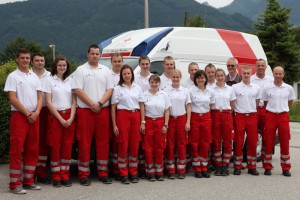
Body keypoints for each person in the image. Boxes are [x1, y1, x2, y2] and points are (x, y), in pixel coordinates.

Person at [72, 44, 113, 186]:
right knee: (84, 143)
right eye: (93, 53)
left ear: (100, 55)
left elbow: (110, 90)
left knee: (103, 143)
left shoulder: (106, 70)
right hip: (85, 111)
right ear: (87, 54)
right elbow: (78, 90)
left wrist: (100, 104)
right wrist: (92, 104)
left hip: (103, 110)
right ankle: (83, 174)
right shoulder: (80, 70)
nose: (95, 56)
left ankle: (103, 173)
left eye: (97, 54)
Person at [4, 48, 42, 194]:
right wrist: (27, 113)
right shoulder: (13, 76)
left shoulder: (34, 76)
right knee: (16, 149)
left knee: (33, 149)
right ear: (17, 59)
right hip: (20, 116)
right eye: (22, 58)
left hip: (34, 116)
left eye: (27, 58)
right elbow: (12, 98)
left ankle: (29, 181)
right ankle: (14, 184)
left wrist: (37, 112)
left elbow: (40, 97)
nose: (25, 60)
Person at [43, 56, 76, 187]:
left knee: (67, 147)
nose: (62, 67)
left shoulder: (70, 81)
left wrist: (71, 117)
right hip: (56, 117)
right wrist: (61, 119)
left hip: (69, 116)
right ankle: (56, 176)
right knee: (56, 147)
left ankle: (65, 175)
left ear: (67, 67)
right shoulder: (49, 81)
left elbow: (74, 102)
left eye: (64, 65)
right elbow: (49, 102)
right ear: (55, 67)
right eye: (60, 65)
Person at [111, 65, 145, 184]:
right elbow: (113, 107)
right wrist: (114, 125)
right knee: (123, 145)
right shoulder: (117, 88)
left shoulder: (138, 88)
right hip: (122, 116)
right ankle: (123, 173)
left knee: (134, 145)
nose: (127, 76)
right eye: (124, 74)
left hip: (135, 116)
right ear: (121, 75)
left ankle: (133, 172)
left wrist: (143, 122)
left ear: (132, 74)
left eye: (129, 73)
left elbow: (141, 105)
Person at [262, 66, 295, 177]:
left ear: (283, 74)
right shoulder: (267, 88)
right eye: (276, 73)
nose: (278, 76)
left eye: (280, 74)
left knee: (285, 142)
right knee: (268, 141)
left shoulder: (289, 88)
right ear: (273, 75)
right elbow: (265, 103)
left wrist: (283, 109)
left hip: (283, 116)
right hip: (270, 115)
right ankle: (267, 166)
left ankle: (286, 168)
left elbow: (290, 102)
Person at [140, 74, 171, 181]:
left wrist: (166, 124)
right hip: (148, 121)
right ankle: (150, 172)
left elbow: (167, 110)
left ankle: (159, 171)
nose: (154, 84)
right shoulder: (144, 94)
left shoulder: (164, 95)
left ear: (159, 83)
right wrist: (143, 122)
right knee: (148, 148)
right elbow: (142, 109)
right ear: (149, 83)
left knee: (160, 147)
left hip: (160, 121)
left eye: (156, 82)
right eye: (152, 82)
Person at [232, 65, 261, 176]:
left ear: (251, 74)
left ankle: (252, 166)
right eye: (244, 73)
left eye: (248, 73)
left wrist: (251, 111)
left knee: (253, 142)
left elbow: (257, 102)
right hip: (240, 116)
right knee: (239, 141)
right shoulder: (235, 87)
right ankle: (238, 166)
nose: (246, 75)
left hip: (252, 116)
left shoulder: (256, 88)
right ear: (241, 73)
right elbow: (233, 103)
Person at [163, 69, 191, 179]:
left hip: (182, 118)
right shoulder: (165, 91)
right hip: (170, 119)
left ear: (180, 77)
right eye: (173, 77)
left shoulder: (185, 91)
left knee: (182, 144)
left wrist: (188, 121)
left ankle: (181, 169)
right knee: (170, 145)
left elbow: (188, 107)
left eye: (177, 77)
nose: (175, 79)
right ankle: (170, 169)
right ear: (170, 78)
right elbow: (165, 108)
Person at [189, 70, 215, 178]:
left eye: (202, 77)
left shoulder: (210, 91)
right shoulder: (191, 91)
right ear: (195, 79)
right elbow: (189, 106)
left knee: (205, 142)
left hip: (206, 117)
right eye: (198, 78)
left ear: (205, 79)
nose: (200, 80)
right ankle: (196, 167)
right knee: (195, 142)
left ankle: (204, 167)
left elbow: (211, 106)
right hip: (195, 117)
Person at [211, 68, 236, 176]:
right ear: (215, 77)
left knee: (227, 141)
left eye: (222, 75)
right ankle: (218, 165)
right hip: (215, 114)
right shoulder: (211, 89)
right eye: (218, 76)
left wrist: (227, 112)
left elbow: (232, 104)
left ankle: (225, 165)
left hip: (226, 114)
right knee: (216, 141)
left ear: (224, 76)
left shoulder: (230, 89)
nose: (220, 78)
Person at [31, 52, 51, 184]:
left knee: (43, 142)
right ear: (32, 62)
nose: (39, 62)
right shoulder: (28, 75)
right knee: (31, 142)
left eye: (41, 60)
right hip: (31, 111)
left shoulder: (50, 75)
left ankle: (42, 172)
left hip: (46, 111)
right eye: (37, 60)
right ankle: (30, 173)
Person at [250, 58, 273, 160]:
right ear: (256, 67)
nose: (260, 67)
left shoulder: (271, 79)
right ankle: (253, 156)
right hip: (254, 109)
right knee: (253, 133)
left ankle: (266, 157)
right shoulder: (250, 79)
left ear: (266, 67)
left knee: (267, 134)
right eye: (258, 65)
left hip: (265, 109)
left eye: (262, 65)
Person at [109, 53, 123, 179]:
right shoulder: (108, 75)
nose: (117, 63)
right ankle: (114, 168)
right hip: (109, 108)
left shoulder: (126, 74)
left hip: (121, 111)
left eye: (119, 61)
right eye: (115, 61)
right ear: (111, 62)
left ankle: (121, 168)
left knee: (121, 141)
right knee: (114, 140)